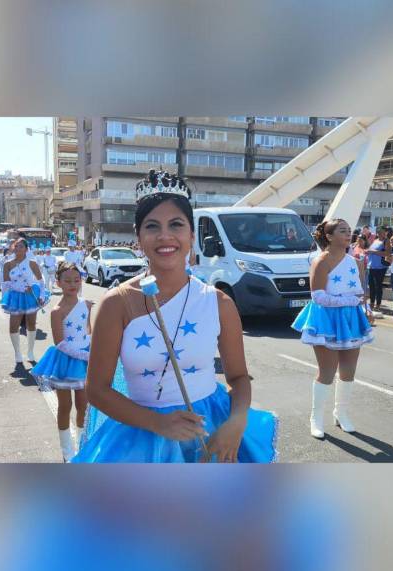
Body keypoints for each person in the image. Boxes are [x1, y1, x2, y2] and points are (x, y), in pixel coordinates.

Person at [72, 169, 277, 463]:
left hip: (210, 428)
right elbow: (97, 390)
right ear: (138, 237)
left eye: (176, 225)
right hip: (141, 434)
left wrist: (236, 422)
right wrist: (158, 424)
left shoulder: (218, 303)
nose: (165, 236)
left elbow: (239, 377)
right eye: (152, 226)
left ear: (191, 235)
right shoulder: (116, 305)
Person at [291, 219, 373, 439]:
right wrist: (348, 300)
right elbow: (318, 296)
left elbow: (362, 292)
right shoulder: (321, 261)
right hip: (326, 319)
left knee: (348, 371)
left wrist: (365, 306)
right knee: (327, 372)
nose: (349, 234)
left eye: (349, 231)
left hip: (351, 319)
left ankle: (341, 412)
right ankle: (316, 417)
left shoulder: (356, 262)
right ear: (329, 236)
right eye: (342, 231)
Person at [30, 262, 92, 461]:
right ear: (58, 283)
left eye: (76, 280)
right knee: (65, 406)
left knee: (84, 405)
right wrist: (83, 355)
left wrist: (93, 350)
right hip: (66, 362)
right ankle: (67, 451)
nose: (73, 284)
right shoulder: (57, 311)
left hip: (84, 360)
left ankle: (82, 446)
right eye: (67, 281)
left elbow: (88, 331)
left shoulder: (86, 304)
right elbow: (60, 343)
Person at [0, 238, 50, 364]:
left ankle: (30, 351)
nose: (18, 249)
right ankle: (17, 352)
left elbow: (40, 280)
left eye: (21, 247)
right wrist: (10, 293)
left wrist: (42, 295)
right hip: (15, 296)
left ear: (26, 249)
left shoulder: (32, 263)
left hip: (30, 295)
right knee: (13, 326)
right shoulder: (7, 264)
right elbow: (5, 284)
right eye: (16, 246)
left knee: (31, 323)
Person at [364, 226, 389, 311]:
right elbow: (371, 250)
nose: (379, 232)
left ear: (385, 232)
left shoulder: (386, 241)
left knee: (378, 286)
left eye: (381, 231)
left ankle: (378, 304)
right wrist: (368, 251)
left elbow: (387, 253)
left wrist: (373, 252)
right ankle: (371, 303)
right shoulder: (375, 240)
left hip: (380, 267)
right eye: (378, 231)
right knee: (371, 286)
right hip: (371, 266)